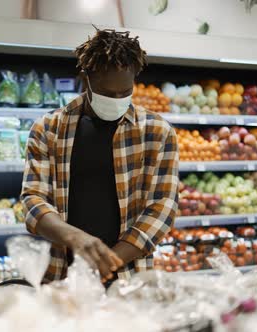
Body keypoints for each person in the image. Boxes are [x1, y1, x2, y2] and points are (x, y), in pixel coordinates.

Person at [21, 28, 179, 285]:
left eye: (125, 92)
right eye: (108, 93)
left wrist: (106, 264)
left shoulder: (157, 132)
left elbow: (162, 207)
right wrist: (76, 238)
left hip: (130, 279)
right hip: (61, 276)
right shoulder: (48, 129)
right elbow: (33, 200)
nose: (118, 99)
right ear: (86, 80)